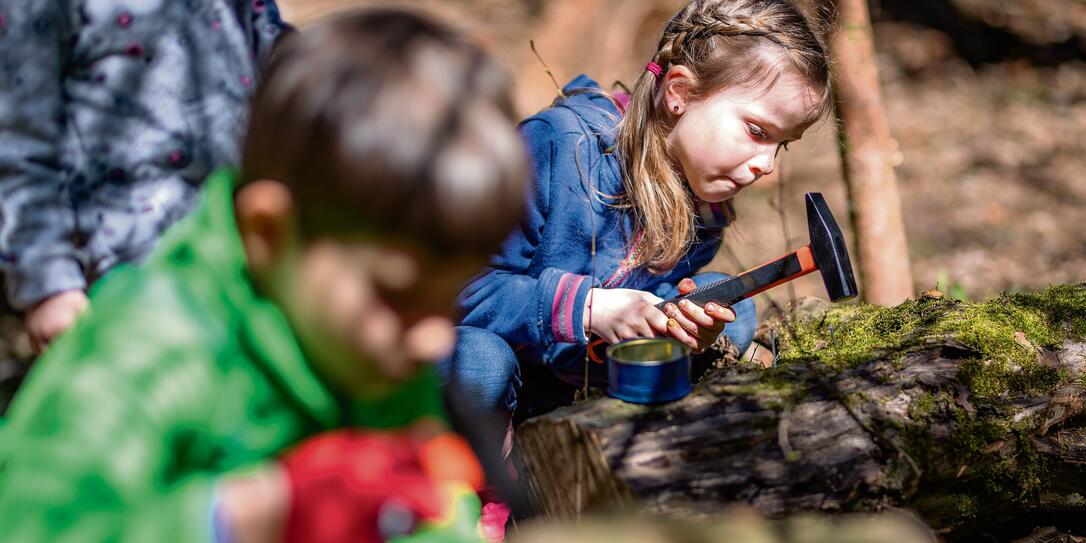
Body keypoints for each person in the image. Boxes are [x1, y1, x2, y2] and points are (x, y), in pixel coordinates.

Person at [0, 10, 526, 543]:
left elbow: (418, 507)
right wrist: (249, 516)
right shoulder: (148, 355)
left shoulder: (381, 344)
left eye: (449, 299)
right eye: (398, 293)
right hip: (116, 250)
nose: (436, 336)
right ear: (269, 232)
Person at [445, 0, 833, 421]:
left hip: (570, 378)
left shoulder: (705, 213)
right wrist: (587, 307)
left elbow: (641, 315)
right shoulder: (556, 147)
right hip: (480, 367)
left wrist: (678, 327)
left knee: (732, 307)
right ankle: (478, 472)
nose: (768, 164)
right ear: (679, 93)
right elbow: (452, 290)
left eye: (782, 144)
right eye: (757, 131)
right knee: (479, 363)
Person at [0, 0, 287, 352]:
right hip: (121, 265)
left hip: (231, 238)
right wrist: (48, 282)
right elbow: (18, 145)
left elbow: (273, 51)